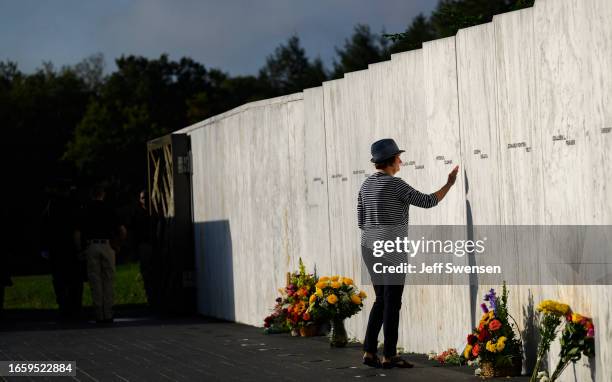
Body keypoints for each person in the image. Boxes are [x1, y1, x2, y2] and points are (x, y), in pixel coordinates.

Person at [358, 138, 458, 369]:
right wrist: (449, 184)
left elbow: (361, 221)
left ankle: (369, 351)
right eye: (398, 157)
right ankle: (389, 355)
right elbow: (427, 201)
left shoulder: (366, 186)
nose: (401, 160)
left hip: (369, 248)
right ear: (391, 161)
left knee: (381, 300)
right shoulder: (396, 185)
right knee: (393, 303)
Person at [75, 185, 126, 323]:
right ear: (103, 194)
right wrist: (118, 244)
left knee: (95, 281)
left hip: (91, 245)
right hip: (107, 245)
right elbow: (122, 230)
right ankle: (108, 313)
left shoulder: (85, 210)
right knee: (108, 280)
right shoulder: (110, 209)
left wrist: (80, 249)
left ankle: (98, 313)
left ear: (91, 195)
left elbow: (78, 233)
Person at [41, 181, 84, 320]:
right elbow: (77, 228)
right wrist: (79, 248)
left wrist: (45, 247)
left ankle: (63, 307)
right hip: (70, 247)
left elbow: (45, 227)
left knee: (59, 280)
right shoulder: (73, 205)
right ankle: (75, 308)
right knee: (75, 280)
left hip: (56, 248)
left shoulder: (51, 205)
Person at [130, 190, 153, 304]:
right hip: (144, 245)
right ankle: (149, 296)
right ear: (140, 200)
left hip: (154, 245)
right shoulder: (138, 214)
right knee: (146, 273)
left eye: (146, 198)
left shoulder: (154, 212)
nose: (145, 200)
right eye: (143, 198)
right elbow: (134, 232)